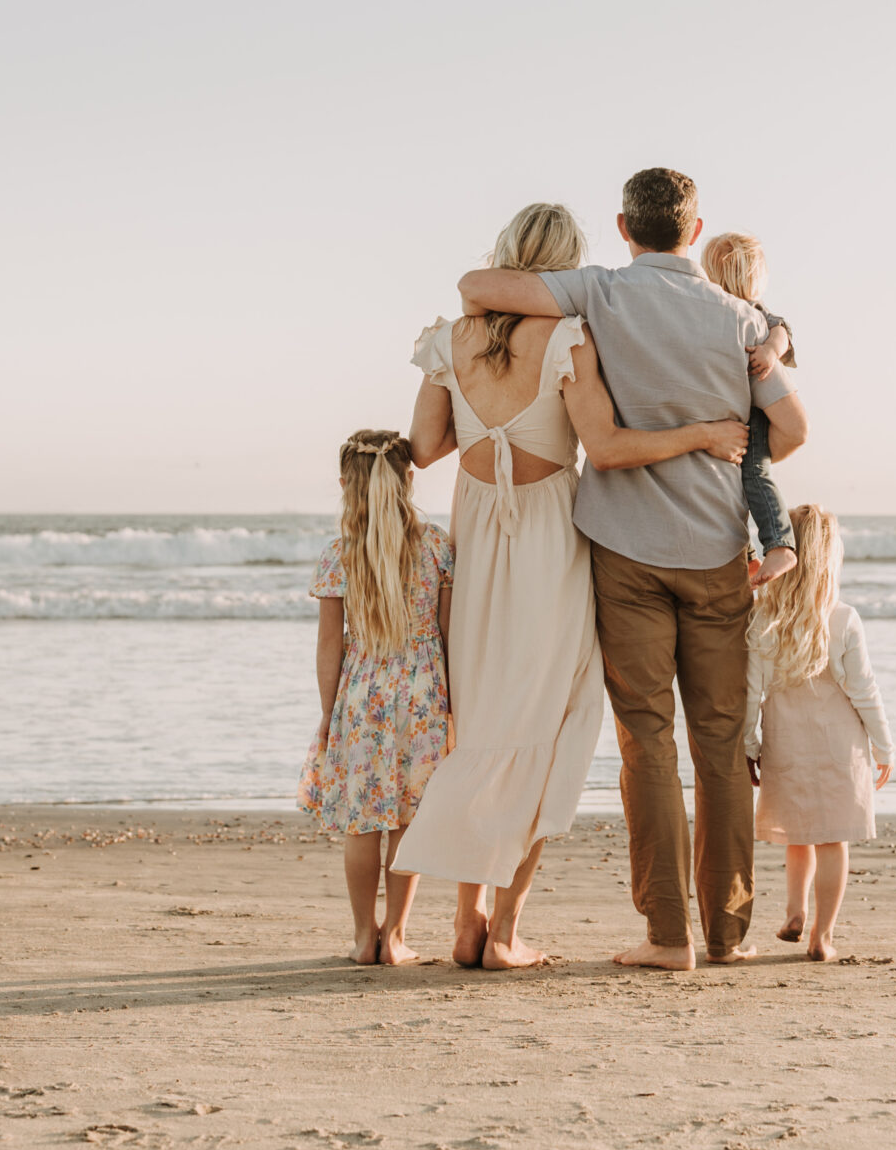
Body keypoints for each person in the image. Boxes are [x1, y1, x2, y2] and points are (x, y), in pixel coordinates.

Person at [457, 165, 808, 970]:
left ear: (623, 228)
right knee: (718, 744)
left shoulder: (598, 293)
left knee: (645, 742)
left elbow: (477, 284)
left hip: (622, 550)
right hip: (717, 550)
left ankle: (665, 937)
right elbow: (792, 430)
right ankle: (725, 936)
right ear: (693, 229)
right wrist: (729, 447)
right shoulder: (739, 318)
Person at [397, 201, 749, 970]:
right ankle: (506, 934)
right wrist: (703, 435)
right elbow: (608, 448)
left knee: (482, 722)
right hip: (552, 542)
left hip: (479, 540)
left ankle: (466, 920)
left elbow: (425, 447)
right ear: (560, 269)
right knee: (553, 723)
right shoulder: (566, 337)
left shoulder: (444, 341)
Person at [300, 428, 453, 966]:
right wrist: (454, 706)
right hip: (422, 696)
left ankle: (364, 937)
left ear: (346, 485)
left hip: (362, 698)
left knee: (362, 821)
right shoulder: (435, 544)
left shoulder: (339, 554)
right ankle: (396, 937)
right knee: (407, 820)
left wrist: (328, 715)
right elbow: (449, 632)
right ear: (408, 480)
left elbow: (328, 648)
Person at [744, 504, 894, 963]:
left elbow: (751, 691)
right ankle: (821, 937)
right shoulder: (843, 617)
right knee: (833, 841)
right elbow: (864, 689)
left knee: (797, 836)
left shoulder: (764, 617)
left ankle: (793, 912)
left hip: (785, 743)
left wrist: (750, 745)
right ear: (831, 557)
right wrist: (883, 744)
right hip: (839, 748)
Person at [700, 230, 799, 584]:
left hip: (752, 416)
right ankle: (749, 555)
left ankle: (780, 546)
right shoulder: (710, 311)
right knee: (734, 488)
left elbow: (782, 330)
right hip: (727, 414)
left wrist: (771, 351)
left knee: (754, 475)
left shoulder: (756, 316)